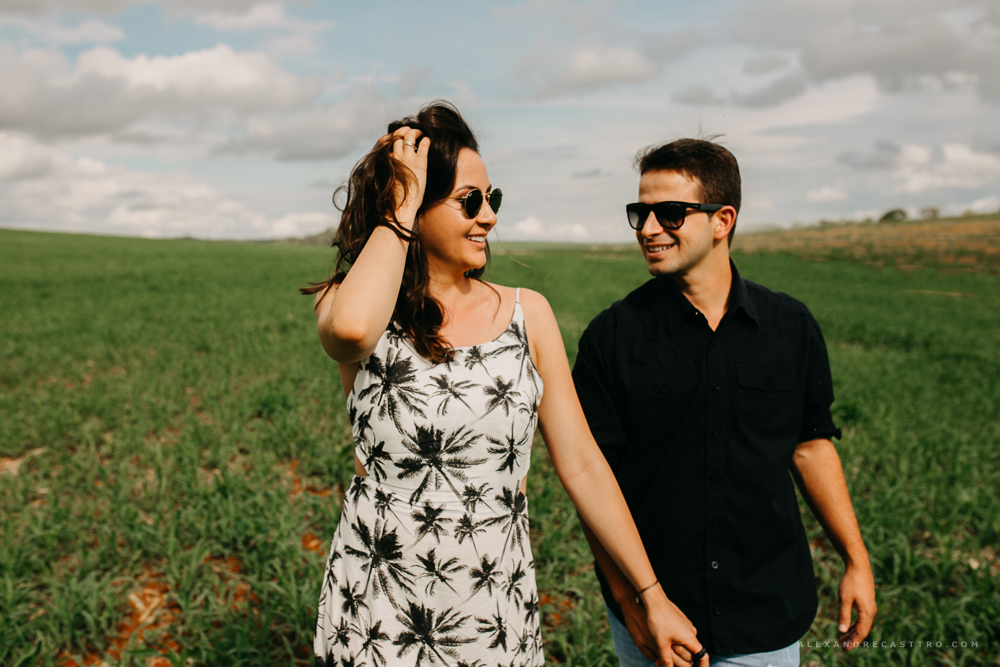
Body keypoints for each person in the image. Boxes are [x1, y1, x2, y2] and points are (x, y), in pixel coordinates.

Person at [305, 102, 709, 667]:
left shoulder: (529, 315)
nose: (489, 217)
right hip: (377, 613)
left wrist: (651, 595)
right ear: (414, 205)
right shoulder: (352, 307)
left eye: (493, 198)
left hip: (493, 610)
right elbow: (349, 331)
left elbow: (583, 464)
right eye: (470, 200)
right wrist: (400, 203)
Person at [572, 138, 877, 667]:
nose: (647, 229)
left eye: (669, 213)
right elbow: (594, 480)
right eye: (639, 213)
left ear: (722, 220)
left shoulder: (790, 326)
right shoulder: (611, 338)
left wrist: (856, 559)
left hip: (767, 613)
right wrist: (632, 602)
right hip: (660, 620)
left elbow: (810, 446)